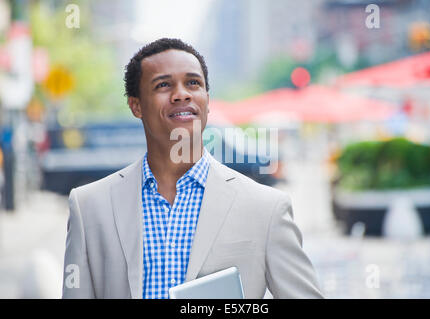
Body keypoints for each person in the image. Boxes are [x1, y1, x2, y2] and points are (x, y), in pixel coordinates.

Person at [62, 38, 323, 299]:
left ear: (207, 101)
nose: (182, 94)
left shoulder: (266, 209)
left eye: (193, 83)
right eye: (163, 85)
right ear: (136, 105)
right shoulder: (89, 207)